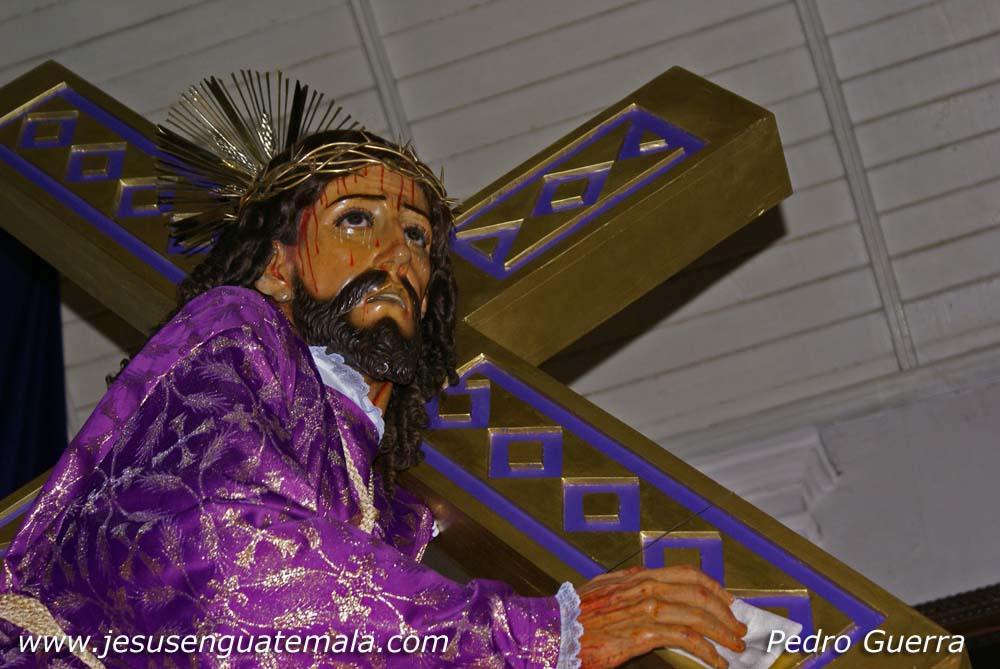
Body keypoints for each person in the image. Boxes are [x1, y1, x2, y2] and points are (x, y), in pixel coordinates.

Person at [0, 76, 746, 669]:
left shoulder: (389, 516)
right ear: (279, 266)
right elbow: (222, 553)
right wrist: (537, 636)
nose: (398, 254)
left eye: (418, 237)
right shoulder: (234, 333)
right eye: (356, 219)